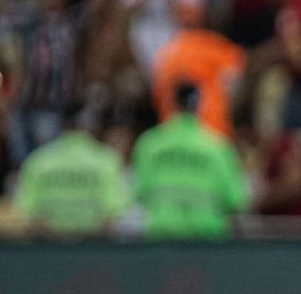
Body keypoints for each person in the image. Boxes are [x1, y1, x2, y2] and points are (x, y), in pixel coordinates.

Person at [131, 83, 248, 240]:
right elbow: (235, 200)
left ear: (171, 102)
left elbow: (138, 193)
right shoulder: (218, 147)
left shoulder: (149, 144)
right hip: (206, 240)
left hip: (161, 238)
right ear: (200, 105)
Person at [13, 108, 130, 236]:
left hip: (49, 249)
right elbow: (114, 215)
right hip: (95, 249)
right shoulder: (107, 159)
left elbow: (27, 214)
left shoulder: (37, 160)